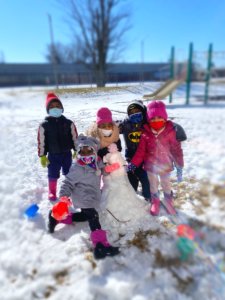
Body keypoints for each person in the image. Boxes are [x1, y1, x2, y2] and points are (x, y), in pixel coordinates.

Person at [48, 135, 120, 259]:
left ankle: (57, 219)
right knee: (93, 218)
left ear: (94, 151)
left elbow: (103, 170)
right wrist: (64, 196)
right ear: (78, 153)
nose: (86, 155)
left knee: (84, 216)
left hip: (93, 195)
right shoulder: (77, 168)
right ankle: (101, 246)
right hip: (83, 197)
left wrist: (110, 168)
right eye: (83, 152)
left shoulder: (97, 162)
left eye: (89, 151)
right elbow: (68, 182)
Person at [128, 100, 184, 216]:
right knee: (153, 185)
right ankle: (156, 201)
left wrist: (179, 165)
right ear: (148, 119)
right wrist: (133, 163)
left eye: (159, 117)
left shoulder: (170, 131)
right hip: (150, 166)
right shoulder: (145, 133)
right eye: (153, 118)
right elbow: (140, 151)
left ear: (164, 118)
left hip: (165, 165)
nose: (156, 121)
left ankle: (168, 201)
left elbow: (176, 149)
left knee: (166, 184)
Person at [37, 92, 78, 201]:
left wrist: (76, 149)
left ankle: (70, 190)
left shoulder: (68, 123)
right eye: (52, 107)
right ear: (48, 109)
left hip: (66, 154)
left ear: (62, 108)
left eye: (58, 106)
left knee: (69, 173)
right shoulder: (44, 125)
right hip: (53, 155)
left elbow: (74, 137)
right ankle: (52, 191)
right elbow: (41, 141)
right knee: (52, 174)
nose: (55, 108)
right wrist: (42, 155)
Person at [118, 100, 151, 201]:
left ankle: (148, 196)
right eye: (131, 113)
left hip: (146, 159)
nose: (134, 114)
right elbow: (114, 127)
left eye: (137, 111)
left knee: (145, 178)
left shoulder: (147, 124)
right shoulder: (126, 124)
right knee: (131, 177)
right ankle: (132, 195)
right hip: (131, 157)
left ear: (142, 111)